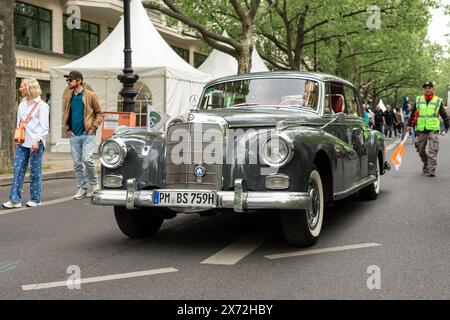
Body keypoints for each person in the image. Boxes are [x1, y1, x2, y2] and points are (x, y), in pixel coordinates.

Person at [2, 78, 49, 209]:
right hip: (22, 142)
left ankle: (36, 198)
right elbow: (19, 123)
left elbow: (44, 127)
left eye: (22, 86)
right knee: (17, 170)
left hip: (36, 142)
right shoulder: (22, 103)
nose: (20, 88)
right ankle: (14, 199)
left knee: (35, 172)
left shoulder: (42, 106)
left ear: (29, 88)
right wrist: (17, 137)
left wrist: (38, 140)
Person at [63, 70, 104, 199]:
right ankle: (82, 188)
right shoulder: (69, 97)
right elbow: (66, 114)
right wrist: (67, 129)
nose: (68, 82)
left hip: (88, 135)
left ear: (79, 81)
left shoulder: (90, 95)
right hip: (74, 136)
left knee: (87, 159)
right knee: (77, 164)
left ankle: (95, 184)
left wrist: (93, 128)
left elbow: (99, 113)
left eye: (70, 80)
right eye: (67, 80)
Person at [406, 82, 449, 177]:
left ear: (432, 89)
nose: (427, 89)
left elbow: (444, 114)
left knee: (432, 149)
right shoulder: (418, 100)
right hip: (421, 129)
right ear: (423, 90)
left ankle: (431, 169)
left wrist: (446, 125)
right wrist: (409, 124)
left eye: (429, 87)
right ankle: (426, 163)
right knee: (420, 150)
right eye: (425, 88)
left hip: (433, 129)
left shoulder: (437, 100)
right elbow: (413, 114)